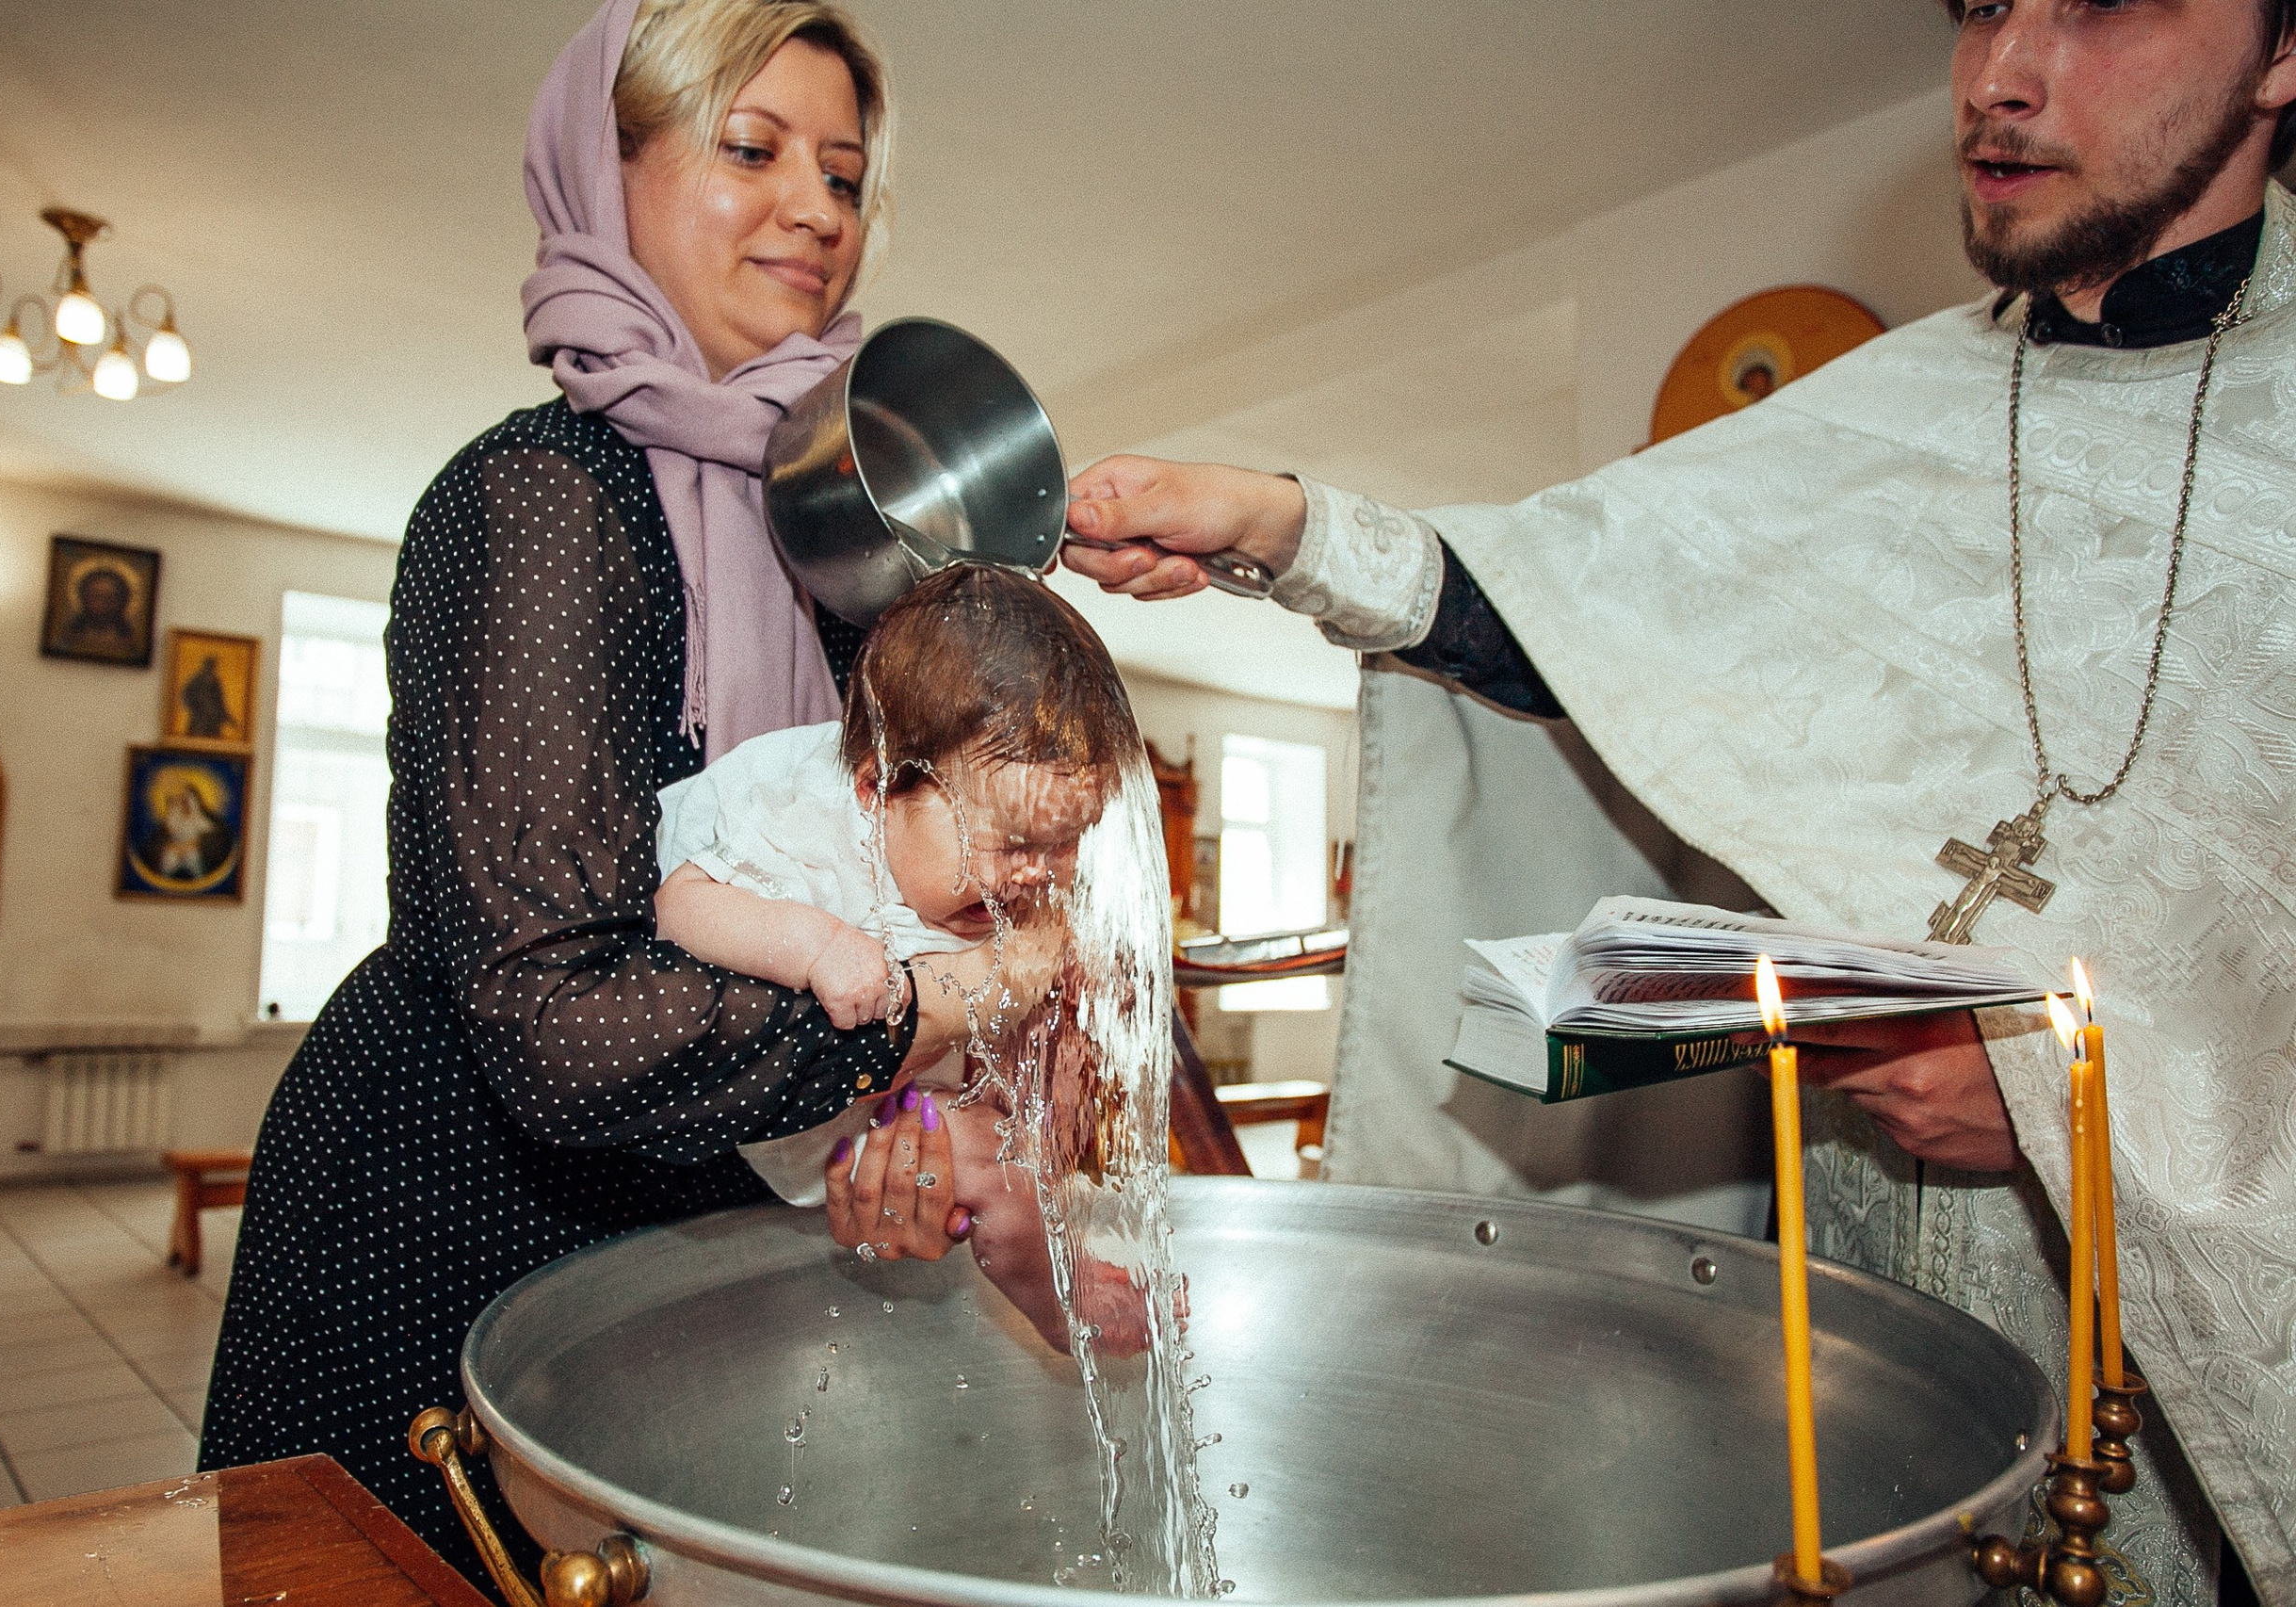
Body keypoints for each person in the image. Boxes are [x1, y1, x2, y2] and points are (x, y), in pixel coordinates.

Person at [1060, 5, 2296, 1605]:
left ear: (2280, 54)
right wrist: (1285, 531)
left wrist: (2084, 1113)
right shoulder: (1888, 414)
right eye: (1981, 0)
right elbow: (1585, 601)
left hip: (2180, 1421)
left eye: (2106, 2)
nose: (2002, 70)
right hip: (1850, 1297)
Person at [201, 0, 1043, 1585]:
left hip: (701, 1205)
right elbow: (553, 1010)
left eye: (848, 176)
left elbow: (860, 885)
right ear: (614, 161)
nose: (817, 208)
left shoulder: (838, 552)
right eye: (753, 148)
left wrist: (900, 1126)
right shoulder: (546, 498)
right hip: (464, 1208)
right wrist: (899, 1021)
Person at [652, 562, 1138, 1350]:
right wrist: (815, 945)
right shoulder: (792, 804)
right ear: (877, 789)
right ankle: (1052, 1279)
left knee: (1033, 1111)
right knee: (988, 1154)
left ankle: (1058, 1247)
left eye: (1066, 843)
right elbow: (680, 908)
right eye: (1012, 842)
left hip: (929, 1088)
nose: (1034, 873)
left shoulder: (1010, 871)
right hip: (812, 1100)